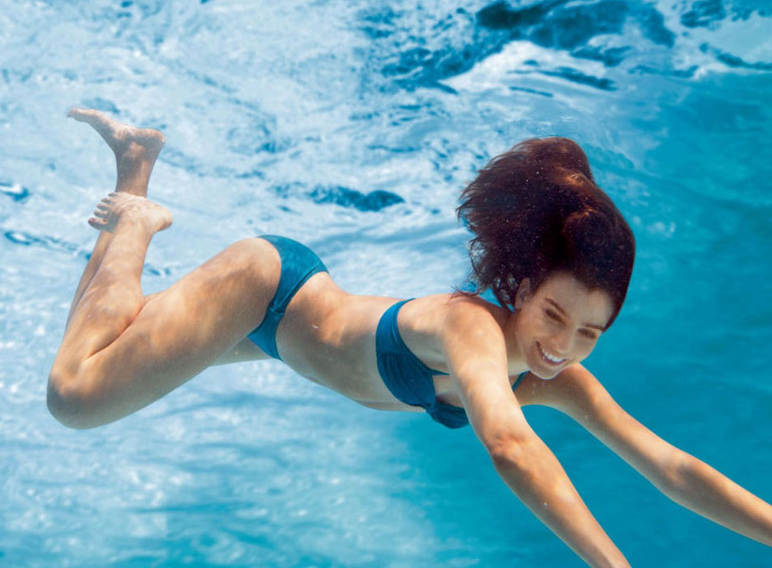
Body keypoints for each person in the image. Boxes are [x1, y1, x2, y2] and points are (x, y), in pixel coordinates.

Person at [48, 108, 772, 566]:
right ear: (521, 286)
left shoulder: (559, 375)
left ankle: (135, 163)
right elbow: (509, 443)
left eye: (590, 331)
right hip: (263, 289)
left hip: (281, 334)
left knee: (108, 343)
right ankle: (136, 215)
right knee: (75, 396)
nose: (564, 345)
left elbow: (670, 466)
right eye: (554, 314)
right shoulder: (470, 326)